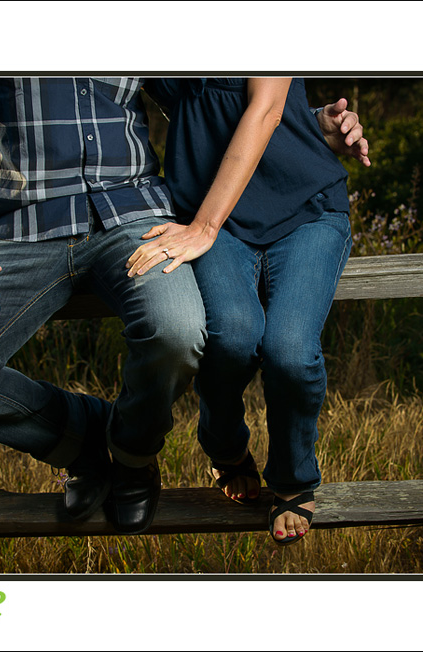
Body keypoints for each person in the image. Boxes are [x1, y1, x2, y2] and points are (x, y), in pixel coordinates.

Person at [0, 76, 366, 537]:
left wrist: (304, 124)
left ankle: (134, 455)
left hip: (133, 215)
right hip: (26, 224)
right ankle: (88, 438)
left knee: (180, 331)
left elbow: (213, 95)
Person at [126, 77, 370, 545]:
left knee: (290, 351)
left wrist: (203, 226)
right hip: (210, 205)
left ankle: (294, 477)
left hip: (300, 205)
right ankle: (226, 448)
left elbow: (266, 108)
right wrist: (315, 119)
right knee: (231, 336)